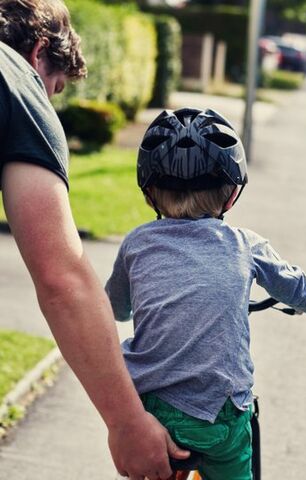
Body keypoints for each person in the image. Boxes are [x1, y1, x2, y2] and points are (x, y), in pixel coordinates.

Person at [0, 1, 189, 478]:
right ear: (39, 51)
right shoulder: (17, 85)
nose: (50, 98)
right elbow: (63, 278)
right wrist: (127, 423)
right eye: (55, 87)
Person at [105, 107, 306, 479]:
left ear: (148, 193)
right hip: (222, 416)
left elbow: (115, 308)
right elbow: (300, 291)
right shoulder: (245, 245)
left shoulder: (137, 245)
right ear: (231, 194)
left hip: (155, 410)